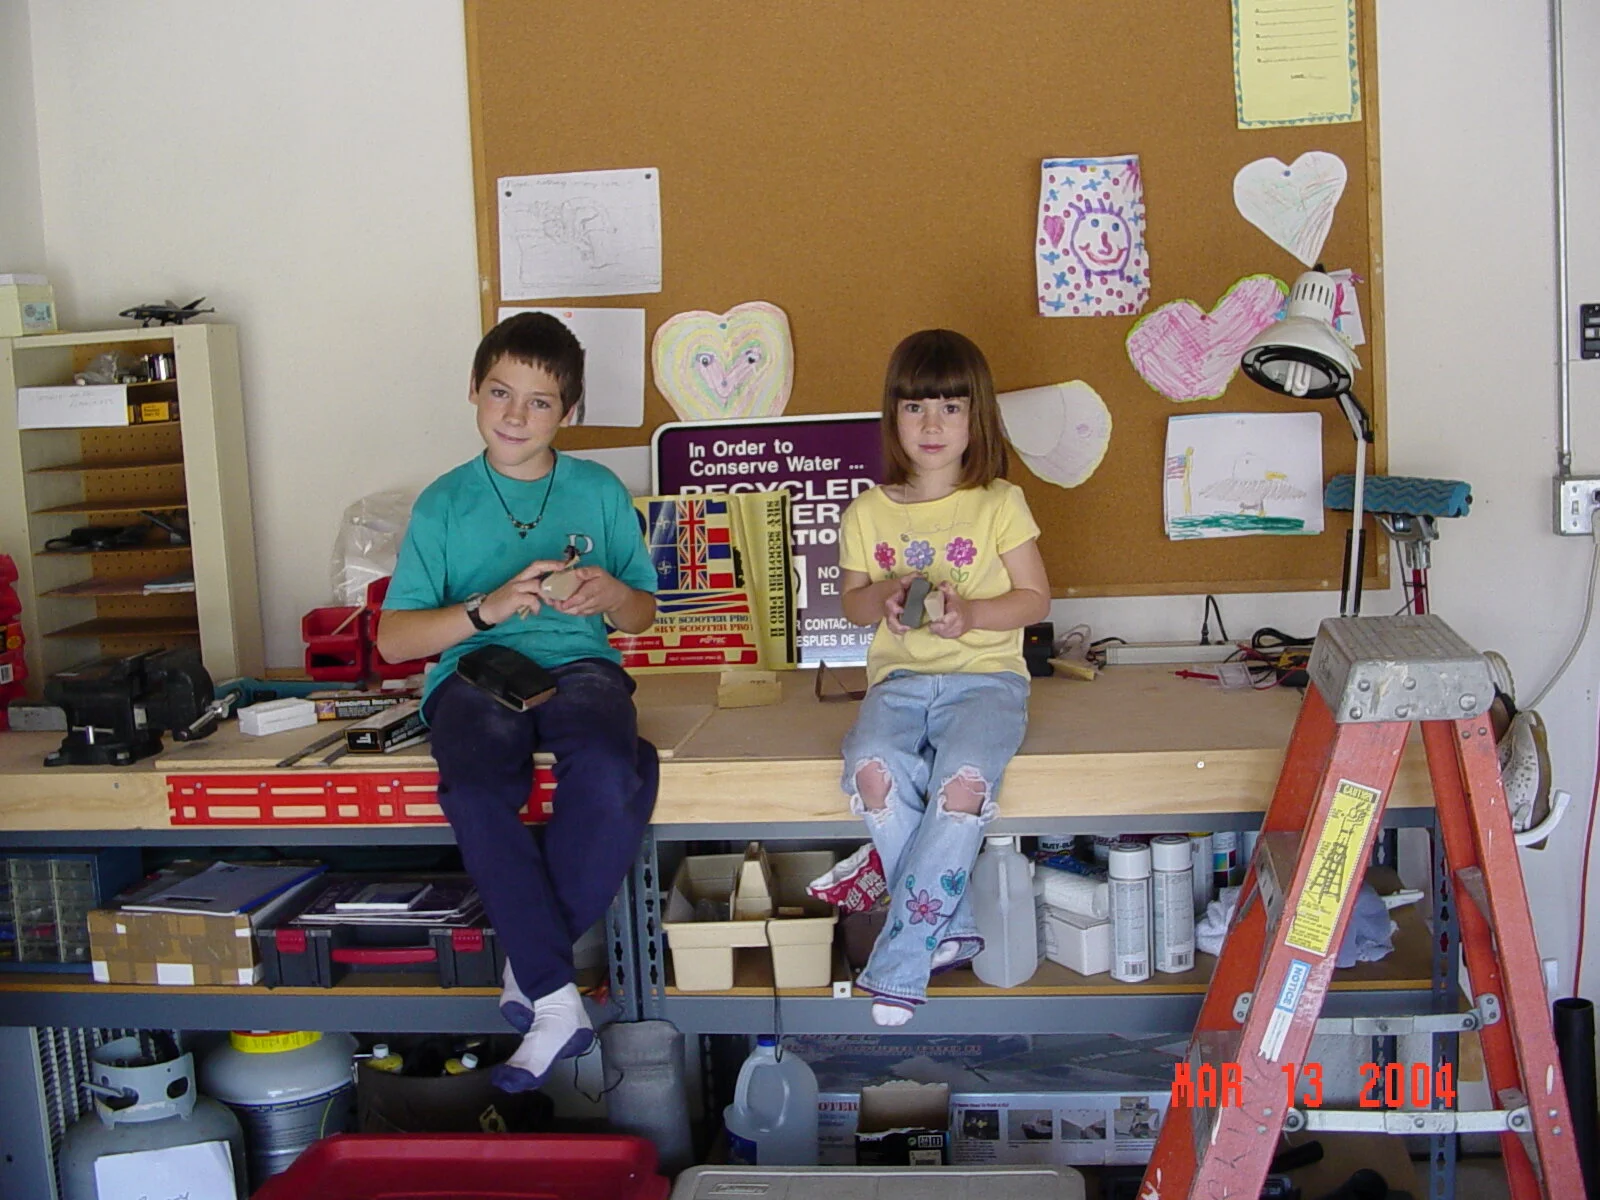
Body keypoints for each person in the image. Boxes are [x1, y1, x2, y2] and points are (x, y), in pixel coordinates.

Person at [376, 312, 659, 1091]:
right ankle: (554, 991)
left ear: (568, 413)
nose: (514, 414)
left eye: (538, 402)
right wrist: (484, 609)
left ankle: (532, 975)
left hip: (581, 666)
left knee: (611, 770)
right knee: (474, 788)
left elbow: (644, 613)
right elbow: (394, 642)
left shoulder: (599, 491)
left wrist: (613, 594)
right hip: (474, 670)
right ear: (473, 390)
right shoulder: (443, 503)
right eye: (499, 392)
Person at [837, 329, 1050, 1026]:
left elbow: (1035, 600)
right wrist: (888, 600)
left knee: (963, 780)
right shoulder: (866, 512)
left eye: (951, 408)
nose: (932, 425)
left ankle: (900, 965)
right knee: (872, 768)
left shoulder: (999, 501)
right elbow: (853, 599)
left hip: (987, 678)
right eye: (915, 407)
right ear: (892, 416)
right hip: (897, 683)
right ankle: (943, 925)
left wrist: (973, 615)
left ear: (976, 417)